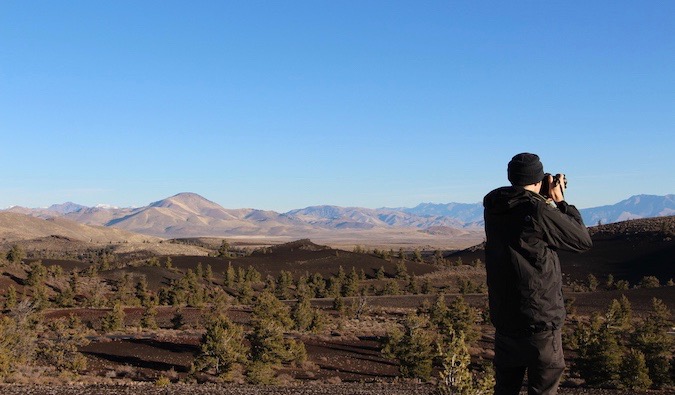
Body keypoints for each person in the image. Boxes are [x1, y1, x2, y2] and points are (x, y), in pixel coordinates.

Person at [483, 153, 592, 395]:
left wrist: (539, 196)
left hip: (505, 319)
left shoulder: (494, 207)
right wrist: (561, 201)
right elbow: (582, 240)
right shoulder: (538, 210)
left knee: (505, 389)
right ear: (538, 178)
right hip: (540, 320)